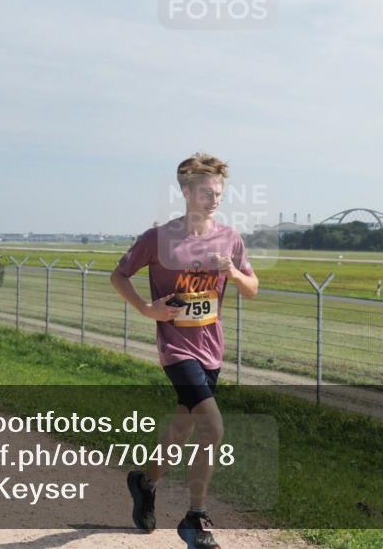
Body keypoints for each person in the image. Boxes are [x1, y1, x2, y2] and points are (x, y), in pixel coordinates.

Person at [110, 153, 258, 549]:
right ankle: (195, 519)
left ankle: (145, 481)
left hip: (212, 348)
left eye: (220, 193)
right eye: (208, 192)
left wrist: (232, 271)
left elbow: (252, 287)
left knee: (182, 428)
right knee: (212, 426)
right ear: (187, 191)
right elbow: (119, 275)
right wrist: (146, 308)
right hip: (176, 348)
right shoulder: (157, 238)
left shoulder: (230, 238)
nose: (215, 199)